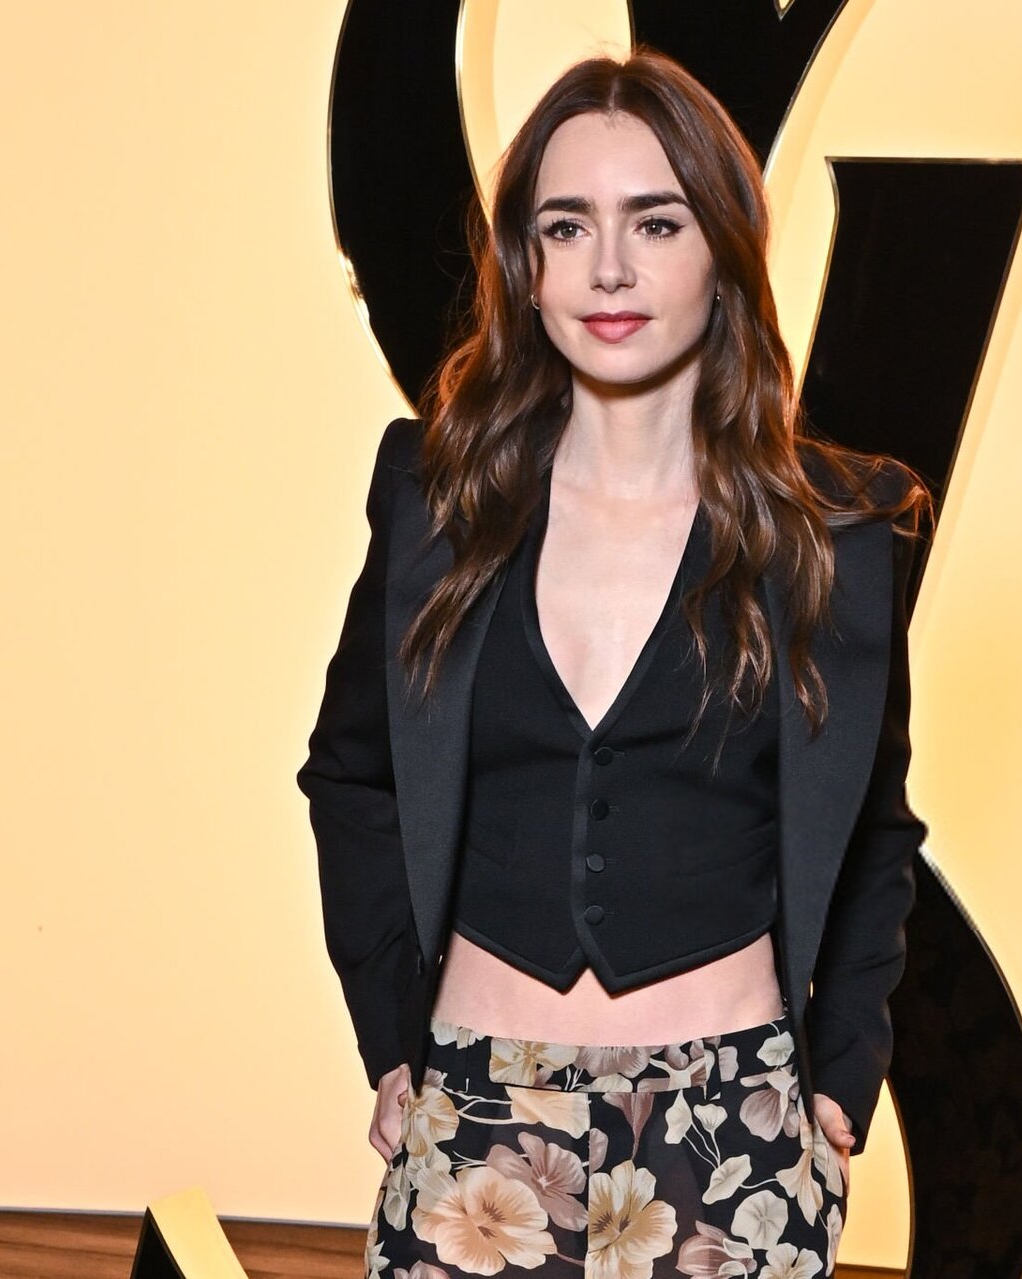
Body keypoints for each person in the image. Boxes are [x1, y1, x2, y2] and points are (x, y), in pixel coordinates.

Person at [298, 47, 931, 1279]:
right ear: (524, 265)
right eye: (566, 225)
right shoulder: (437, 503)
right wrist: (393, 1040)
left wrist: (840, 1078)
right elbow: (352, 778)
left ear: (724, 249)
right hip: (475, 1120)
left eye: (656, 221)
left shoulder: (837, 531)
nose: (609, 268)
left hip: (733, 1127)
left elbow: (874, 829)